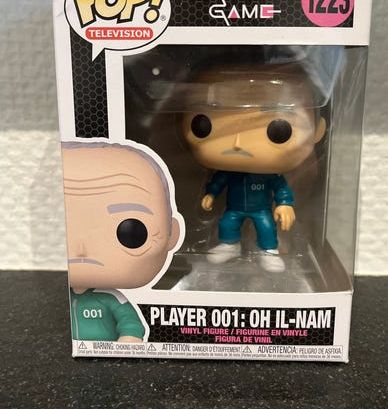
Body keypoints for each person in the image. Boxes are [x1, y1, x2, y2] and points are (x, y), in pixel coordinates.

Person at [182, 63, 326, 273]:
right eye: (203, 125)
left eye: (279, 131)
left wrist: (285, 204)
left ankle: (269, 251)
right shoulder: (228, 172)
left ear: (318, 131)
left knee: (266, 228)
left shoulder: (270, 175)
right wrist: (211, 194)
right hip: (234, 208)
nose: (237, 143)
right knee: (226, 224)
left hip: (261, 209)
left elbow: (281, 187)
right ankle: (229, 245)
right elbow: (219, 181)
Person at [61, 141, 182, 341]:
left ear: (172, 234)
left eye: (132, 233)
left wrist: (129, 340)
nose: (81, 250)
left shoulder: (111, 298)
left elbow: (130, 323)